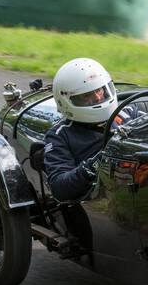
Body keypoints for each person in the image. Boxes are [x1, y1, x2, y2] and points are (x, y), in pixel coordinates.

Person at [43, 58, 141, 201]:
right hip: (103, 199)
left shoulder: (128, 111)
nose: (97, 98)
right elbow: (59, 188)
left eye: (99, 90)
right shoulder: (60, 135)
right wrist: (95, 164)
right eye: (87, 95)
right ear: (68, 101)